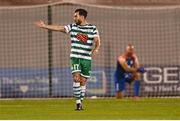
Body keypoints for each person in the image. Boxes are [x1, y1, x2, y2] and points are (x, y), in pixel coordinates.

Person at [35, 8, 101, 110]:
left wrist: (96, 48)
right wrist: (44, 26)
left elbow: (97, 41)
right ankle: (78, 103)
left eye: (76, 16)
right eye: (74, 16)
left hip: (86, 58)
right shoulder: (72, 27)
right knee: (76, 78)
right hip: (75, 57)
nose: (74, 18)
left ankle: (81, 101)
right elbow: (59, 28)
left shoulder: (93, 28)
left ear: (82, 17)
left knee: (83, 81)